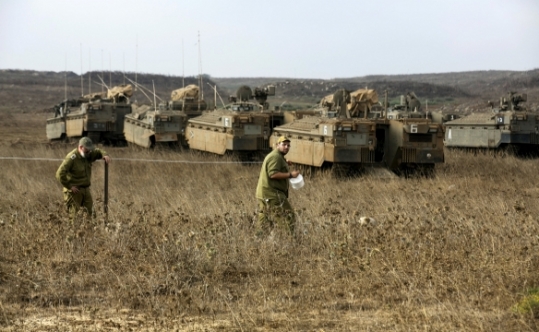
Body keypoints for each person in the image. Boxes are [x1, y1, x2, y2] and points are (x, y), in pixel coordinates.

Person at [56, 137, 111, 220]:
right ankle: (73, 232)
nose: (89, 151)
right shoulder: (72, 158)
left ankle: (90, 232)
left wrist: (104, 155)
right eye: (87, 149)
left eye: (90, 149)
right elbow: (60, 173)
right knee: (74, 218)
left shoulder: (88, 154)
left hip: (85, 190)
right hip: (74, 192)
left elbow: (98, 151)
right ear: (81, 147)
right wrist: (70, 186)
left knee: (91, 215)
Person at [255, 136, 300, 234]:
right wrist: (291, 175)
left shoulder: (278, 156)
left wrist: (284, 162)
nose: (286, 147)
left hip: (264, 193)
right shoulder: (275, 157)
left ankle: (258, 240)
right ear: (277, 145)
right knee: (288, 216)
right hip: (272, 195)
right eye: (284, 145)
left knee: (264, 221)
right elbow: (273, 174)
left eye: (288, 145)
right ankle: (289, 239)